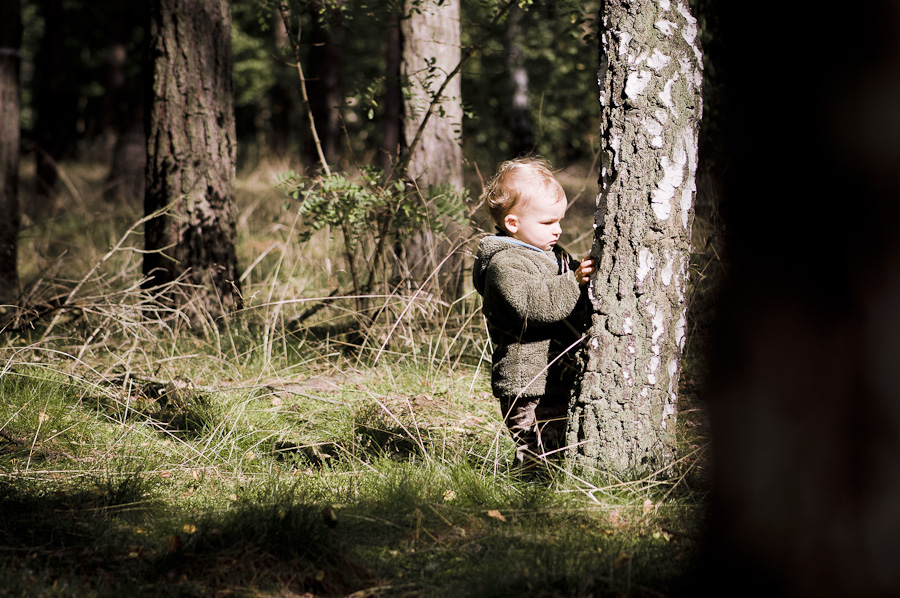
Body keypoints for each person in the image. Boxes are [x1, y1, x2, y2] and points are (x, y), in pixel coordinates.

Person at [472, 155, 593, 476]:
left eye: (560, 220)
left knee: (556, 443)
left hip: (556, 374)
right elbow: (534, 305)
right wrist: (573, 281)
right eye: (547, 222)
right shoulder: (505, 264)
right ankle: (529, 500)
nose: (559, 229)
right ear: (513, 223)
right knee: (539, 449)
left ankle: (539, 486)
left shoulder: (548, 253)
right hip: (528, 383)